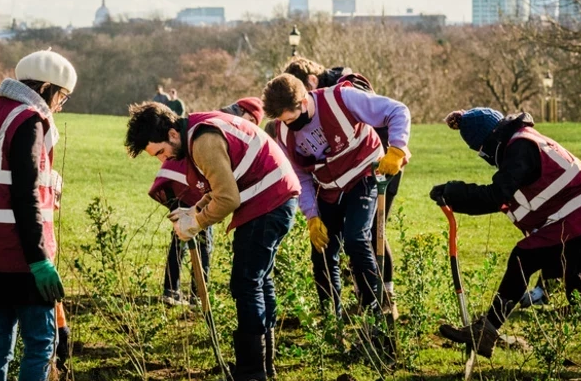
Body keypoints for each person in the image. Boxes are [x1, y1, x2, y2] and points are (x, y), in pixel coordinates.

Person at [430, 108, 581, 381]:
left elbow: (497, 195)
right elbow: (506, 201)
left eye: (482, 149)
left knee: (528, 259)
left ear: (491, 138)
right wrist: (457, 199)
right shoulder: (522, 141)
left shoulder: (520, 147)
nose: (484, 156)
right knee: (576, 292)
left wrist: (454, 191)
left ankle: (487, 330)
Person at [126, 101, 300, 381]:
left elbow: (228, 199)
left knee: (245, 283)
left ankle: (252, 372)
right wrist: (194, 210)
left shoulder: (202, 142)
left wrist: (195, 223)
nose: (164, 160)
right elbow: (225, 185)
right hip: (272, 196)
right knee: (259, 281)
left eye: (160, 152)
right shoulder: (198, 129)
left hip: (267, 200)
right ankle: (263, 367)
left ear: (172, 134)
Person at [0, 50, 75, 381]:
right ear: (47, 87)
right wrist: (39, 259)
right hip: (19, 256)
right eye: (62, 95)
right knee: (40, 343)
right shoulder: (29, 120)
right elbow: (24, 193)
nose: (62, 104)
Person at [260, 73, 410, 319]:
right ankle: (332, 317)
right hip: (328, 188)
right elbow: (301, 176)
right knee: (322, 251)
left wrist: (396, 148)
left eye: (292, 119)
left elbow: (397, 110)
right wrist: (311, 216)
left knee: (356, 238)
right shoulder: (284, 133)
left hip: (363, 174)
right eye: (283, 121)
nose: (289, 125)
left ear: (304, 102)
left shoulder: (342, 99)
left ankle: (378, 310)